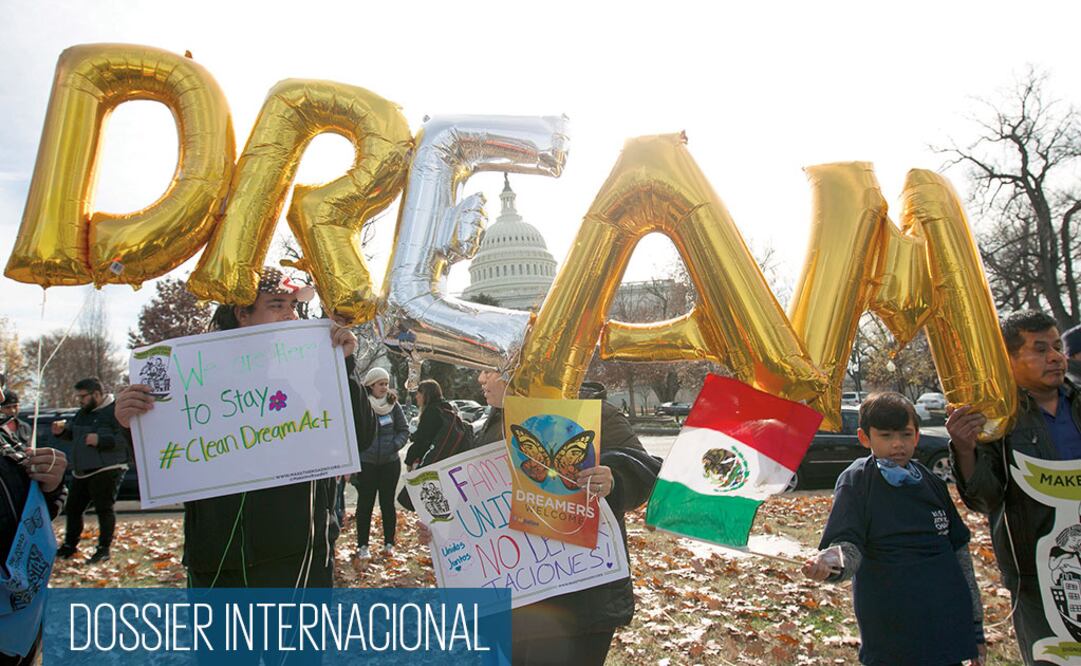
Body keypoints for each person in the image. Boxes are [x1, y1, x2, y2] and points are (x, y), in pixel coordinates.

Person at [114, 266, 376, 588]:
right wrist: (133, 422)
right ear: (242, 314)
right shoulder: (192, 374)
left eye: (294, 306)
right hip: (216, 555)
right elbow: (164, 463)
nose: (290, 315)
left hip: (296, 552)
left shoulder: (315, 366)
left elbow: (361, 436)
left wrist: (344, 366)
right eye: (277, 305)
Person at [440, 370, 659, 665]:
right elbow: (478, 506)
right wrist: (438, 528)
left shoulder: (593, 412)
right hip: (516, 604)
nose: (480, 378)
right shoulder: (493, 422)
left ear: (522, 368)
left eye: (490, 369)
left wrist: (614, 479)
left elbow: (646, 471)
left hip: (581, 601)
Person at [803, 392, 984, 665]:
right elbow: (847, 545)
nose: (898, 444)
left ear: (917, 436)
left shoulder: (931, 482)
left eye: (905, 434)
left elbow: (959, 553)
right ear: (865, 438)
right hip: (891, 626)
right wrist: (831, 563)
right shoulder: (857, 481)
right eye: (886, 436)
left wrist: (975, 630)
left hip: (946, 623)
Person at [949, 310, 1081, 664]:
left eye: (1057, 346)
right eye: (1039, 349)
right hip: (1038, 574)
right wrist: (965, 449)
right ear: (1007, 358)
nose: (1055, 357)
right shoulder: (997, 420)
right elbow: (984, 498)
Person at [0, 375, 68, 664]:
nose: (2, 398)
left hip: (18, 626)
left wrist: (50, 486)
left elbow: (29, 511)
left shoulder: (5, 436)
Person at [53, 377, 128, 564]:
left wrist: (101, 440)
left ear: (97, 394)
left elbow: (126, 441)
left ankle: (103, 550)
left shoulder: (115, 411)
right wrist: (62, 432)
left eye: (83, 396)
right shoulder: (83, 412)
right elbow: (76, 436)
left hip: (108, 468)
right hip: (82, 470)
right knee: (73, 509)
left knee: (104, 509)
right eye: (78, 396)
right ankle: (69, 546)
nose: (80, 400)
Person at [352, 367, 409, 560]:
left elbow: (404, 430)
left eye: (386, 384)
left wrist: (394, 445)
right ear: (371, 385)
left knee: (387, 504)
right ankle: (362, 546)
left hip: (389, 464)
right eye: (380, 384)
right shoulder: (362, 405)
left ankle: (389, 543)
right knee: (365, 505)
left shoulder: (394, 405)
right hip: (366, 464)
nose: (384, 388)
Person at [403, 379, 453, 469]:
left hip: (430, 461)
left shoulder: (431, 412)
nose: (416, 397)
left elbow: (422, 440)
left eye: (419, 393)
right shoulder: (446, 409)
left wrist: (409, 460)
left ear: (426, 395)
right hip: (444, 459)